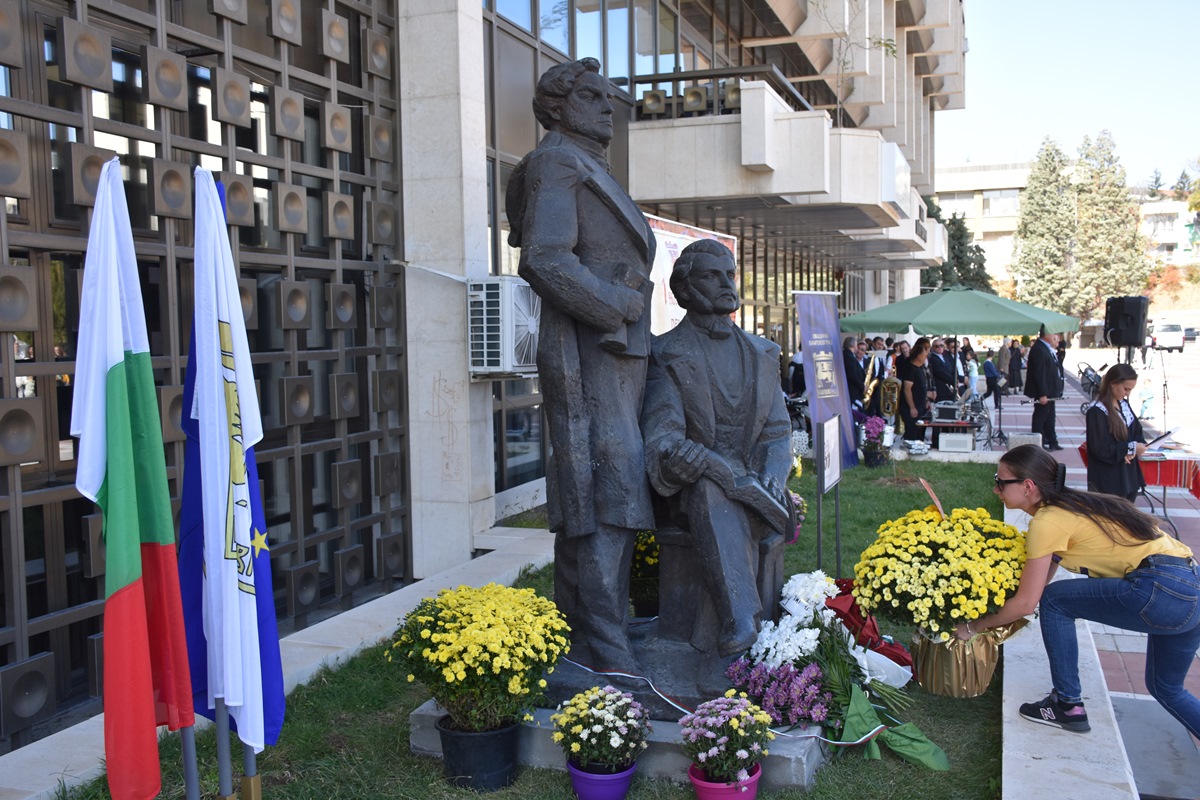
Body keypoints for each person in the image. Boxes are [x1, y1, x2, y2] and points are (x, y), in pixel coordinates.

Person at [506, 57, 655, 672]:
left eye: (607, 97)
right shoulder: (556, 162)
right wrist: (617, 303)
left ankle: (582, 630)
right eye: (591, 96)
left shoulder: (588, 164)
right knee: (604, 490)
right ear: (557, 107)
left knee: (604, 490)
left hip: (617, 353)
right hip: (585, 346)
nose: (606, 107)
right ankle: (605, 645)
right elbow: (544, 258)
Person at [958, 445, 1199, 738]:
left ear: (1027, 486)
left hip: (1162, 591)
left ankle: (1067, 705)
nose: (996, 489)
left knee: (1055, 601)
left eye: (1000, 481)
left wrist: (973, 626)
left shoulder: (1048, 521)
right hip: (1190, 584)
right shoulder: (1072, 504)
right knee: (1166, 689)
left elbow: (1028, 602)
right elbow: (1037, 583)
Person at [642, 239, 792, 656]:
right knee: (711, 491)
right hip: (693, 492)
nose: (727, 283)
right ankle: (740, 618)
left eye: (730, 274)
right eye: (713, 275)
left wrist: (773, 476)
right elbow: (661, 433)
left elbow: (779, 432)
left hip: (761, 492)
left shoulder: (764, 353)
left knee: (730, 496)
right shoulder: (665, 354)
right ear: (684, 289)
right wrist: (679, 458)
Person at [1085, 364, 1147, 502]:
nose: (1127, 393)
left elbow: (1136, 431)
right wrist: (1128, 449)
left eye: (1131, 390)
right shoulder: (1097, 411)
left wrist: (1134, 448)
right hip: (1109, 479)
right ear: (1113, 384)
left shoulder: (1123, 405)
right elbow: (1100, 448)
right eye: (1126, 389)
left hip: (1128, 476)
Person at [1025, 327, 1065, 451]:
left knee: (1050, 417)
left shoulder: (1047, 349)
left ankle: (1052, 441)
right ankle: (1038, 444)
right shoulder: (1039, 349)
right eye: (1054, 335)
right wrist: (1042, 394)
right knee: (1040, 417)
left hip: (1051, 391)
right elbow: (1039, 374)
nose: (1056, 338)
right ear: (1046, 335)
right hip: (1044, 392)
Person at [899, 337, 933, 442]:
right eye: (924, 354)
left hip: (921, 406)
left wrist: (926, 400)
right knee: (912, 434)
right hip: (911, 408)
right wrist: (912, 407)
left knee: (920, 434)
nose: (926, 356)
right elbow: (907, 389)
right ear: (918, 355)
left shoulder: (920, 368)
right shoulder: (910, 368)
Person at [842, 336, 865, 409]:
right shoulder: (849, 356)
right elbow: (852, 376)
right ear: (853, 345)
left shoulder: (846, 354)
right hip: (852, 391)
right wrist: (863, 386)